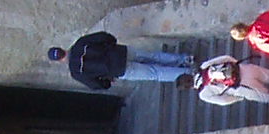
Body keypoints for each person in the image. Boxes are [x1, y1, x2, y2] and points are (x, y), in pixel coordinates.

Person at [47, 32, 199, 90]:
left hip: (118, 70)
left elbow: (95, 85)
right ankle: (186, 58)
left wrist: (107, 81)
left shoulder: (76, 72)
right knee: (154, 56)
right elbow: (104, 36)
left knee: (155, 73)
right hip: (121, 52)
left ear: (59, 60)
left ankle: (189, 73)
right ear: (62, 48)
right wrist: (113, 45)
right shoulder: (80, 43)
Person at [184, 56, 269, 107]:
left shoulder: (203, 94)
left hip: (242, 87)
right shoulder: (204, 66)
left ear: (189, 87)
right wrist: (236, 64)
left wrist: (238, 98)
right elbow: (225, 57)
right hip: (245, 69)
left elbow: (224, 101)